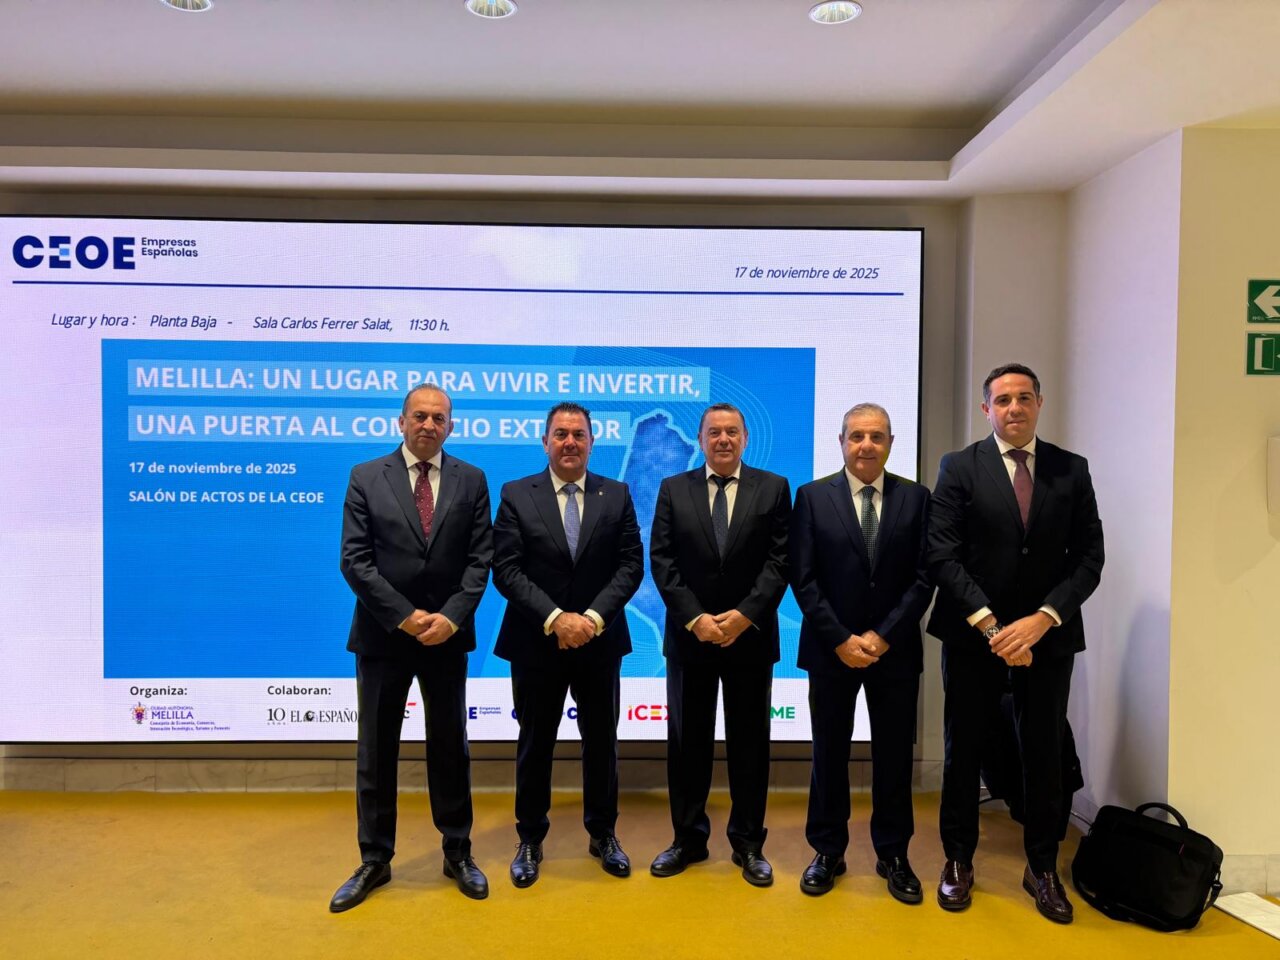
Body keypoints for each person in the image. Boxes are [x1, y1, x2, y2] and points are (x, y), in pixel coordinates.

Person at [928, 363, 1104, 923]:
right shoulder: (959, 467)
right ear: (987, 409)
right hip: (973, 634)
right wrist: (993, 628)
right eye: (1003, 400)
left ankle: (1043, 867)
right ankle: (959, 860)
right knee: (964, 749)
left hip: (1047, 638)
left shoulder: (1071, 469)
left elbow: (1090, 559)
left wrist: (1042, 620)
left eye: (1024, 398)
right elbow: (942, 555)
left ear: (1039, 404)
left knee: (1045, 751)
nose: (1014, 408)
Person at [330, 384, 494, 912]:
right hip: (383, 636)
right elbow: (355, 560)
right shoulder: (365, 477)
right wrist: (403, 616)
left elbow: (480, 560)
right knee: (376, 749)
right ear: (400, 422)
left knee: (450, 745)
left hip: (447, 636)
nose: (428, 425)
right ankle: (374, 859)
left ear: (451, 426)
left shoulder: (472, 479)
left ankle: (458, 851)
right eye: (419, 416)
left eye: (438, 418)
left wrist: (451, 617)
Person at [492, 401, 644, 887]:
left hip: (599, 642)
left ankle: (603, 835)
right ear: (545, 442)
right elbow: (506, 569)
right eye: (560, 434)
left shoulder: (616, 494)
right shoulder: (517, 494)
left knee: (601, 743)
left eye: (579, 434)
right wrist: (557, 619)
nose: (570, 442)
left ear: (592, 443)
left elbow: (630, 566)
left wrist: (591, 620)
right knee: (535, 743)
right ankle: (529, 839)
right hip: (536, 642)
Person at [791, 403, 933, 901]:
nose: (866, 445)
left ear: (891, 443)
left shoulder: (917, 498)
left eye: (876, 436)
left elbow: (924, 576)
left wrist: (883, 635)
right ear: (841, 442)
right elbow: (803, 578)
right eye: (856, 436)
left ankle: (893, 854)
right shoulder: (812, 497)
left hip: (895, 651)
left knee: (894, 756)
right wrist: (841, 638)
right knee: (828, 753)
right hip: (831, 650)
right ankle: (827, 850)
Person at [647, 403, 790, 886]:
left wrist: (745, 616)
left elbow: (780, 561)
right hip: (691, 639)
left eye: (732, 431)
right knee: (688, 744)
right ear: (701, 439)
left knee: (750, 745)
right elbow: (662, 561)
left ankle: (749, 844)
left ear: (745, 438)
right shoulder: (673, 489)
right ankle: (688, 840)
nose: (723, 439)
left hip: (750, 638)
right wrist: (696, 619)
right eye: (714, 432)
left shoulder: (773, 488)